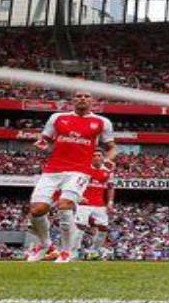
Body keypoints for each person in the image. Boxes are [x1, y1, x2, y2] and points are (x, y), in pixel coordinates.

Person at [25, 90, 116, 263]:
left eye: (86, 96)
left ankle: (66, 251)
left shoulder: (102, 122)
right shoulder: (57, 118)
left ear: (92, 101)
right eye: (79, 96)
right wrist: (40, 144)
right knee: (37, 210)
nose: (82, 98)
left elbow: (111, 147)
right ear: (72, 100)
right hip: (53, 169)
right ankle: (46, 244)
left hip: (79, 170)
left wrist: (108, 160)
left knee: (64, 205)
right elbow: (45, 139)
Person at [76, 149, 115, 259]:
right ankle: (74, 250)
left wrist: (110, 202)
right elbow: (76, 184)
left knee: (104, 227)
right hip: (84, 203)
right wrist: (79, 196)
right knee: (80, 226)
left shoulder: (108, 172)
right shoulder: (84, 170)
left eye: (99, 155)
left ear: (103, 158)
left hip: (99, 204)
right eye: (94, 155)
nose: (97, 157)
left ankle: (94, 250)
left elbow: (110, 188)